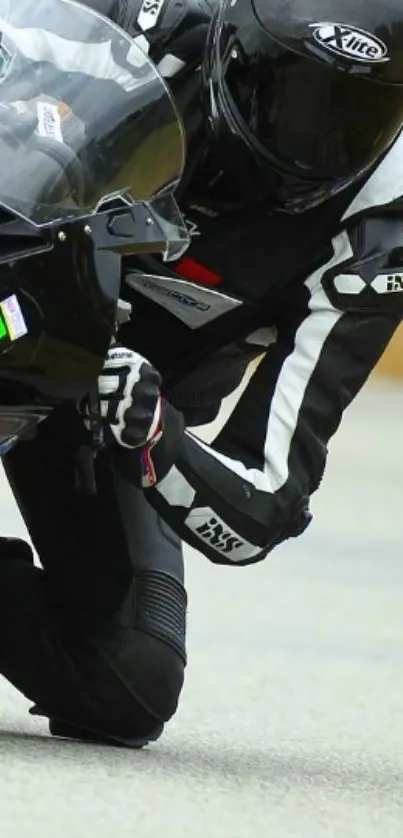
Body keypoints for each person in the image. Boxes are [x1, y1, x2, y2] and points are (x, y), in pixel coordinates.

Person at [2, 0, 403, 748]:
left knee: (128, 681)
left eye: (355, 114)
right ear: (230, 46)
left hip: (105, 407)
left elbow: (265, 499)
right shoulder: (132, 27)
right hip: (11, 299)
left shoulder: (381, 227)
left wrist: (155, 433)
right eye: (284, 92)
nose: (313, 139)